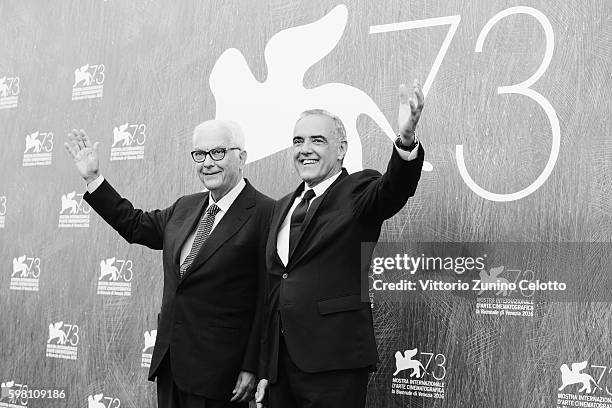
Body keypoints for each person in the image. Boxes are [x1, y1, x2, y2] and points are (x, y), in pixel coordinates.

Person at [64, 120, 274, 408]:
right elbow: (135, 224)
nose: (207, 163)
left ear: (242, 157)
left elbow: (267, 300)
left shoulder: (267, 213)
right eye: (199, 155)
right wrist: (94, 178)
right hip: (171, 366)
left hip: (221, 375)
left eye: (218, 153)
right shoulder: (185, 206)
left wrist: (253, 365)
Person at [255, 81, 426, 408]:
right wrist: (266, 366)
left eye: (317, 140)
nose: (305, 149)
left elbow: (394, 189)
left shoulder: (359, 190)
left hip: (334, 362)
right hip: (280, 367)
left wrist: (405, 141)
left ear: (342, 149)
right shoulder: (281, 207)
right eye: (297, 141)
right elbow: (277, 287)